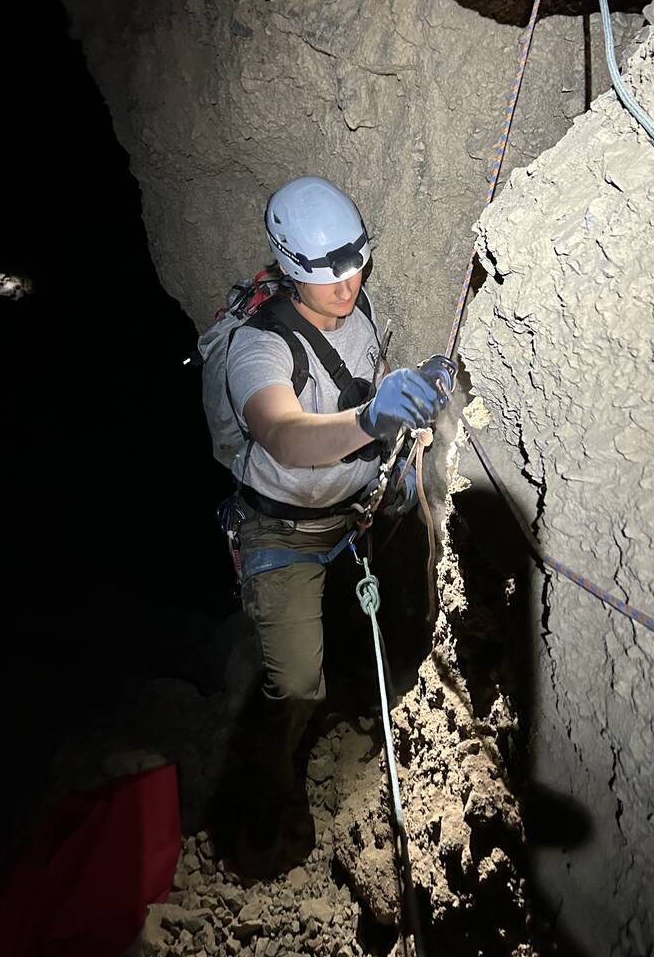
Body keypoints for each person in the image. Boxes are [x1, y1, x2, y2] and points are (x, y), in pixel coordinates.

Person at [223, 175, 452, 877]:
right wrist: (367, 420)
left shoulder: (359, 303)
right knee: (295, 682)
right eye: (327, 275)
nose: (346, 286)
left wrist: (414, 402)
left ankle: (370, 690)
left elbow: (372, 385)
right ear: (291, 269)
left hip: (356, 509)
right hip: (283, 532)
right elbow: (285, 435)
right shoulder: (257, 350)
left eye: (355, 265)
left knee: (405, 576)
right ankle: (262, 813)